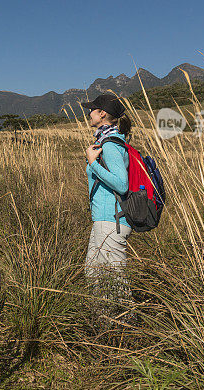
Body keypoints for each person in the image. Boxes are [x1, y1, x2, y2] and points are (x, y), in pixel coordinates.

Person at [81, 94, 133, 298]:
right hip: (103, 220)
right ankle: (102, 324)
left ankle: (126, 326)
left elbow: (121, 184)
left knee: (117, 281)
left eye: (92, 109)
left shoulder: (110, 145)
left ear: (102, 113)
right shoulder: (105, 141)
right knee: (94, 275)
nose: (89, 113)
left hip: (112, 222)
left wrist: (93, 163)